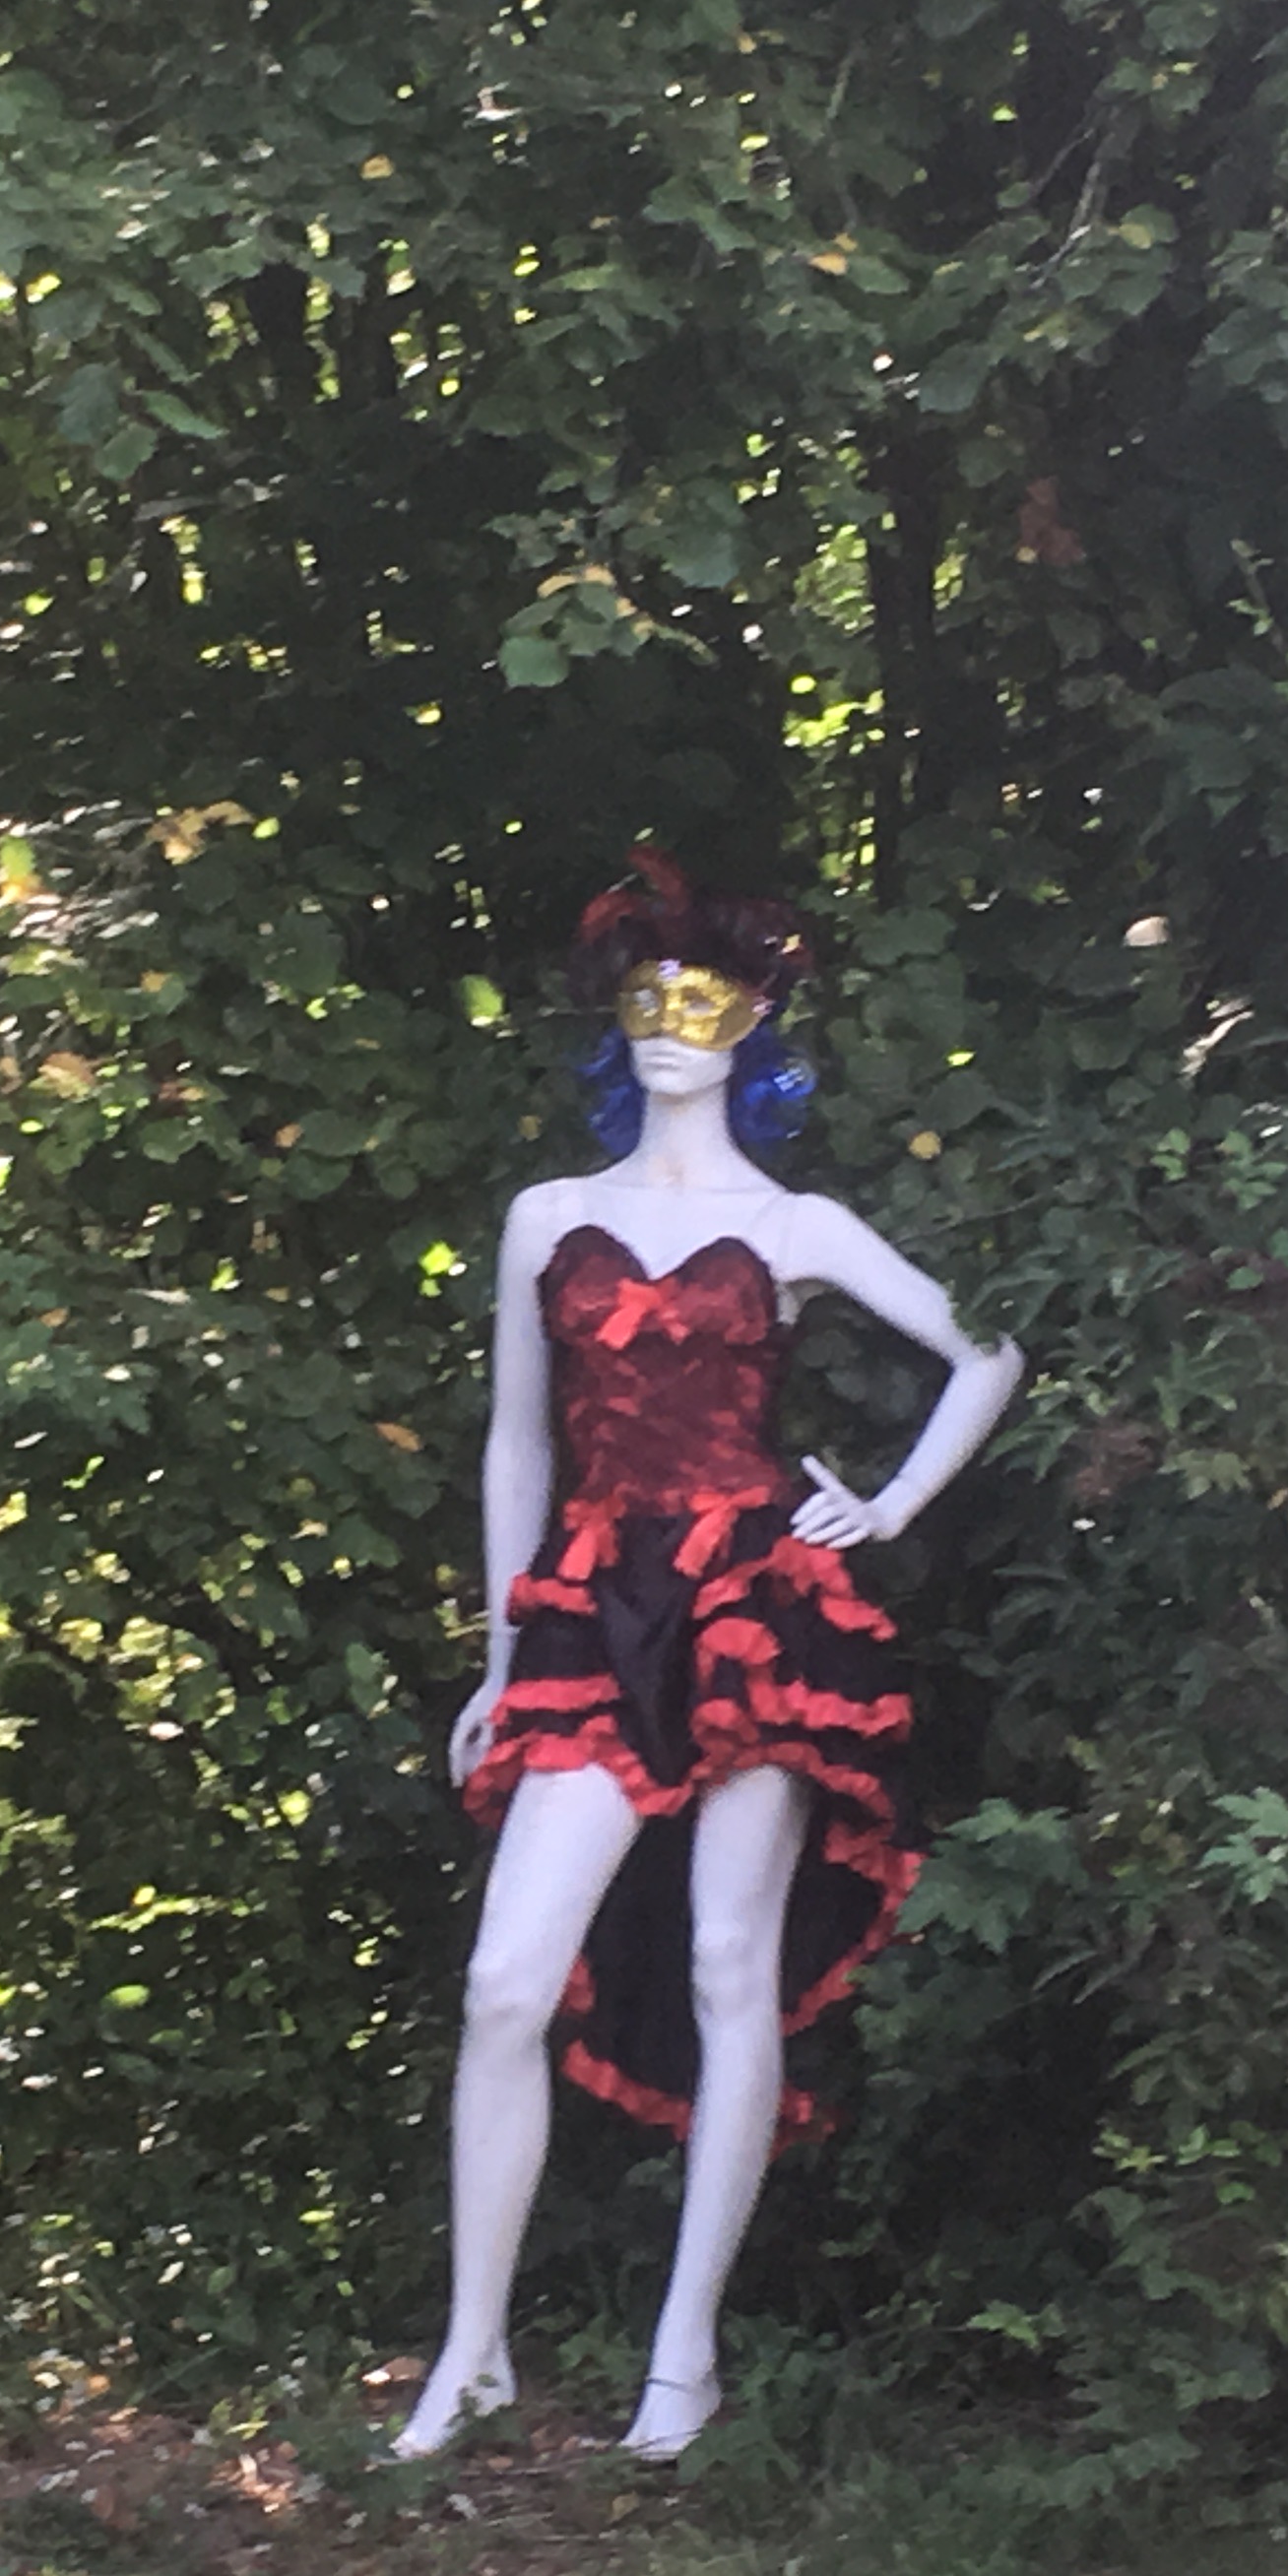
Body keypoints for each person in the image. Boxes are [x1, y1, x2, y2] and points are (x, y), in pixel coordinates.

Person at [399, 853, 1024, 2464]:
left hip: (757, 1604)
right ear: (614, 1023)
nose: (672, 1026)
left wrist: (885, 1506)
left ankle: (683, 2358)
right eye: (646, 1000)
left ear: (755, 1025)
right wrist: (499, 1648)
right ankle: (472, 2354)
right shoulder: (548, 1219)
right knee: (504, 1983)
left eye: (706, 1001)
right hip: (589, 1612)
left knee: (730, 1961)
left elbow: (986, 1350)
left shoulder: (797, 1226)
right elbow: (518, 1445)